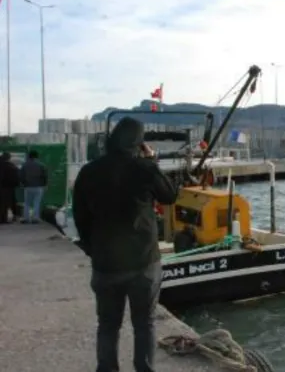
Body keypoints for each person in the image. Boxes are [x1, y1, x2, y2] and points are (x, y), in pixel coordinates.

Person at [72, 117, 177, 372]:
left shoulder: (89, 171)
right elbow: (170, 195)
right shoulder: (145, 169)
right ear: (138, 142)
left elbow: (80, 217)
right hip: (143, 261)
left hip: (105, 263)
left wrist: (92, 249)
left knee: (108, 325)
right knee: (145, 324)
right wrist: (151, 162)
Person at [20, 150, 48, 224]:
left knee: (27, 203)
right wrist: (45, 185)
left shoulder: (25, 165)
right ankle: (35, 218)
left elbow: (21, 175)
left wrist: (23, 183)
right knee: (37, 202)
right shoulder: (41, 165)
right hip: (38, 186)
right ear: (37, 157)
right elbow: (44, 176)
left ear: (29, 157)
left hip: (28, 186)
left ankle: (26, 218)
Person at [0, 152, 20, 224]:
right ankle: (3, 219)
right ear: (8, 158)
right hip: (7, 188)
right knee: (5, 204)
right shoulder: (11, 166)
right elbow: (15, 177)